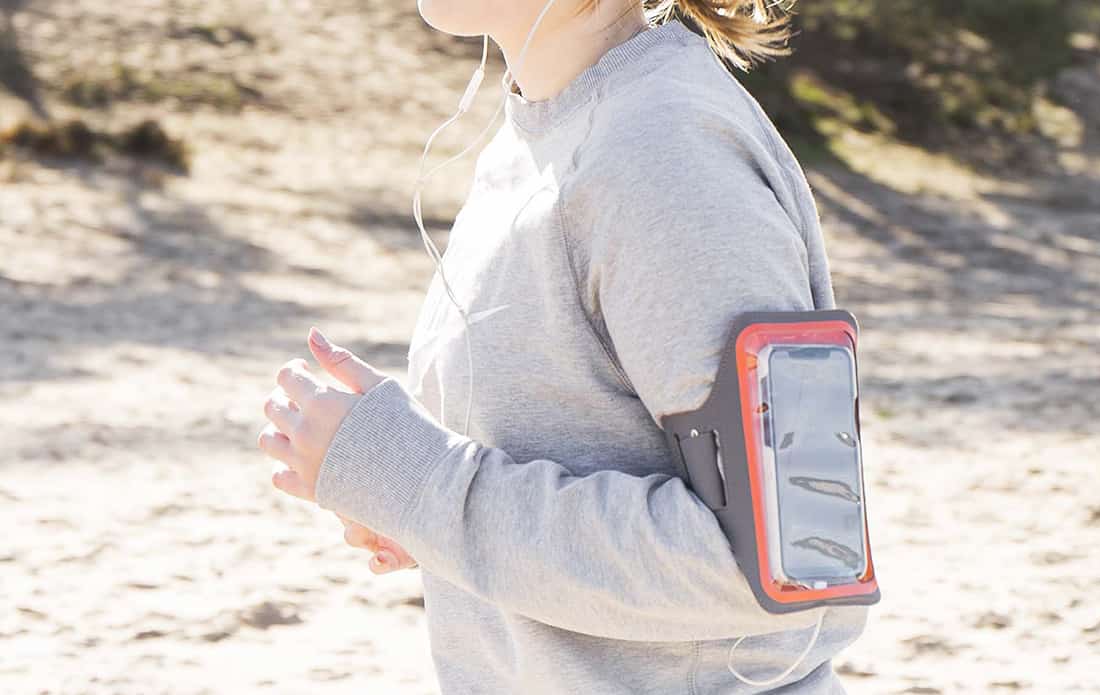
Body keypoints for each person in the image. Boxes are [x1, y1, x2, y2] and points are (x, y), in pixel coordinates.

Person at [255, 0, 869, 691]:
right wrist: (419, 513)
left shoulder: (669, 157)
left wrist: (419, 481)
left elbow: (797, 556)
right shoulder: (547, 126)